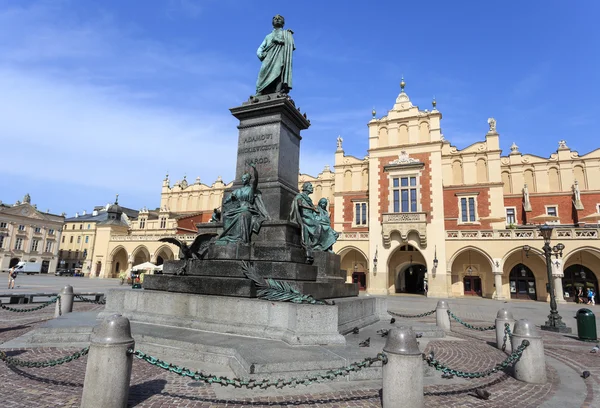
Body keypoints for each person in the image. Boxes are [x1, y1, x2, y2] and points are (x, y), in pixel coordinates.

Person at [216, 163, 269, 244]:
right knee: (226, 215)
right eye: (242, 178)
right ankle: (229, 236)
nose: (243, 180)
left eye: (245, 178)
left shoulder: (251, 189)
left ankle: (242, 238)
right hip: (238, 208)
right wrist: (233, 200)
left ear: (248, 179)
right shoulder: (237, 191)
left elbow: (256, 181)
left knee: (243, 215)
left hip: (248, 208)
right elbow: (226, 202)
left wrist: (255, 170)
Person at [255, 14, 295, 95]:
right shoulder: (268, 36)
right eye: (275, 19)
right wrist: (260, 54)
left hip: (280, 57)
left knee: (279, 71)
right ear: (272, 22)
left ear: (283, 23)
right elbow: (260, 48)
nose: (277, 20)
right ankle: (260, 90)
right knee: (262, 73)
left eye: (279, 19)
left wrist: (287, 37)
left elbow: (291, 46)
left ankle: (278, 91)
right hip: (268, 58)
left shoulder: (286, 33)